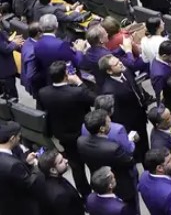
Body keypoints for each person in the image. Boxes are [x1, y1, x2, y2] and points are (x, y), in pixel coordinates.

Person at [37, 60, 93, 195]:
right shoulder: (77, 92)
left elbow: (42, 111)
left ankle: (85, 195)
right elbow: (94, 100)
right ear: (66, 74)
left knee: (76, 167)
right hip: (83, 134)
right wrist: (79, 82)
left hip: (63, 135)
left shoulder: (43, 92)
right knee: (92, 163)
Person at [78, 110, 137, 210]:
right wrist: (131, 142)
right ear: (102, 128)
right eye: (108, 121)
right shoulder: (113, 148)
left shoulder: (80, 141)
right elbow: (129, 161)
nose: (110, 121)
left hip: (98, 181)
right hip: (119, 184)